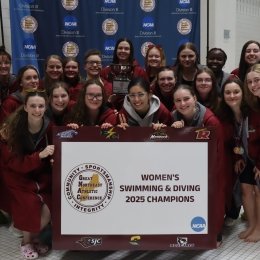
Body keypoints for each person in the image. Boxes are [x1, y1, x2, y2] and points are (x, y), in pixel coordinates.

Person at [1, 90, 54, 259]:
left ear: (45, 107)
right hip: (17, 177)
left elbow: (55, 150)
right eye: (33, 106)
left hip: (40, 176)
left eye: (41, 106)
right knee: (29, 203)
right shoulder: (11, 130)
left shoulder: (49, 126)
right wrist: (39, 156)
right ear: (25, 107)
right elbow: (13, 163)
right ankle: (26, 241)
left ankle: (36, 238)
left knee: (50, 204)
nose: (37, 110)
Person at [171, 84, 225, 246]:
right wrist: (173, 131)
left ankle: (216, 234)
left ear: (195, 98)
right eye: (178, 100)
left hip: (211, 167)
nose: (182, 104)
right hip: (186, 169)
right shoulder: (174, 117)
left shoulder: (210, 120)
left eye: (186, 99)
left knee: (212, 198)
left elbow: (218, 152)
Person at [216, 77, 249, 227]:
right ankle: (236, 212)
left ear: (243, 93)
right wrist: (237, 157)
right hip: (240, 155)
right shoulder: (224, 114)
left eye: (236, 92)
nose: (232, 96)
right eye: (228, 92)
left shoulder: (251, 112)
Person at [101, 38, 147, 110]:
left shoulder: (140, 72)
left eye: (126, 49)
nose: (123, 51)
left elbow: (146, 93)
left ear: (131, 51)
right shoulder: (106, 71)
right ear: (116, 50)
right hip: (110, 109)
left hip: (134, 110)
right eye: (120, 48)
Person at [241, 63, 260, 242]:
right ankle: (253, 225)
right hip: (252, 156)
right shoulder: (254, 104)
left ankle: (259, 229)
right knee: (246, 186)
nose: (253, 85)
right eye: (249, 82)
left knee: (259, 189)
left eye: (257, 80)